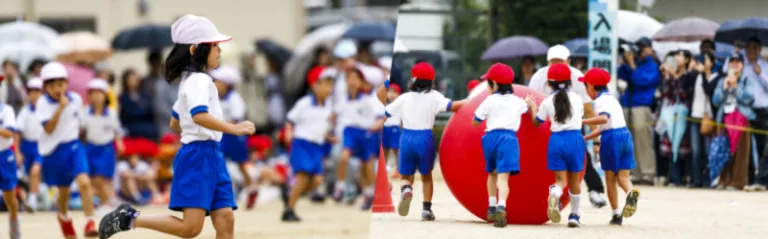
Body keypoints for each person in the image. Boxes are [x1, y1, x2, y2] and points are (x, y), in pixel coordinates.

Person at [98, 14, 255, 239]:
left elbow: (175, 122)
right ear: (194, 49)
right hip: (199, 157)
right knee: (191, 228)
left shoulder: (190, 81)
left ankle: (129, 217)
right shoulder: (199, 80)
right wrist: (233, 128)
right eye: (214, 45)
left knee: (226, 219)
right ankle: (130, 218)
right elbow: (199, 116)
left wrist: (197, 131)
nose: (219, 50)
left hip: (209, 154)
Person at [376, 62, 467, 221]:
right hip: (425, 138)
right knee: (426, 176)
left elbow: (384, 111)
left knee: (405, 175)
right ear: (432, 81)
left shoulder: (404, 97)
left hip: (407, 138)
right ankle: (426, 209)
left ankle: (406, 189)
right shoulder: (435, 96)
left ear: (413, 79)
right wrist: (472, 100)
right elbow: (453, 106)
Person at [527, 45, 606, 208]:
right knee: (571, 172)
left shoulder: (577, 78)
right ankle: (573, 212)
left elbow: (589, 111)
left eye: (560, 62)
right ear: (547, 62)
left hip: (568, 125)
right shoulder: (537, 78)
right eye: (552, 62)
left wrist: (596, 141)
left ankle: (594, 190)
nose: (556, 65)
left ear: (569, 62)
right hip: (551, 122)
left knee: (580, 161)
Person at [36, 62, 99, 237]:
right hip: (54, 151)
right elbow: (49, 129)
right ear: (46, 87)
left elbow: (80, 123)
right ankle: (64, 217)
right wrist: (61, 107)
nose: (58, 89)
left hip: (74, 146)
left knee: (84, 183)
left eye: (61, 84)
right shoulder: (42, 103)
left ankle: (89, 222)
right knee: (64, 192)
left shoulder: (76, 99)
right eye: (53, 85)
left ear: (66, 84)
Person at [525, 63, 585, 227]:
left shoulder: (547, 101)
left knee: (560, 181)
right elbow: (579, 116)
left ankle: (554, 194)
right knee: (574, 181)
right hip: (575, 139)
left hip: (556, 141)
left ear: (549, 83)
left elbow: (537, 122)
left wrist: (532, 108)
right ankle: (574, 215)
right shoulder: (577, 98)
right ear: (569, 81)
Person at [581, 68, 641, 226]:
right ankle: (630, 192)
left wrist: (582, 122)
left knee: (610, 180)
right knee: (623, 177)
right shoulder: (613, 99)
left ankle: (616, 214)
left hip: (612, 139)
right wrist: (586, 137)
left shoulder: (600, 101)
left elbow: (603, 119)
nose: (586, 90)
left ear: (592, 86)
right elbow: (604, 126)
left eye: (586, 86)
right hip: (625, 136)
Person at [471, 63, 527, 228]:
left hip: (490, 138)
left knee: (492, 173)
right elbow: (527, 108)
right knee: (504, 177)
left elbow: (475, 121)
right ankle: (502, 206)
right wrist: (530, 105)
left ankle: (491, 205)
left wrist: (476, 121)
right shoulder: (517, 101)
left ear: (494, 84)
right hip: (508, 139)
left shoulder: (489, 100)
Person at [282, 66, 335, 222]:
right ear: (314, 85)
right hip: (302, 143)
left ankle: (291, 194)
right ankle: (289, 210)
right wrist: (288, 133)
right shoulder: (304, 103)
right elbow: (290, 120)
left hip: (316, 147)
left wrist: (330, 138)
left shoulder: (328, 107)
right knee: (303, 176)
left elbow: (320, 128)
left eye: (330, 85)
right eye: (325, 84)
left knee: (317, 181)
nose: (329, 88)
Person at [333, 64, 386, 210]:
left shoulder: (369, 100)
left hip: (366, 134)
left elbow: (380, 118)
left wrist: (373, 128)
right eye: (349, 79)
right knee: (344, 156)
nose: (352, 82)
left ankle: (370, 193)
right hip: (350, 132)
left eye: (356, 79)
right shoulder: (343, 100)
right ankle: (340, 186)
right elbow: (336, 115)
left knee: (366, 167)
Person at [210, 66, 257, 207]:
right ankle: (228, 192)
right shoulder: (217, 99)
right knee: (219, 163)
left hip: (234, 136)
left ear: (226, 84)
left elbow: (236, 120)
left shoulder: (235, 99)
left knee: (241, 164)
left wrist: (219, 125)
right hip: (223, 134)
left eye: (217, 81)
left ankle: (251, 188)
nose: (214, 84)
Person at [618, 37, 660, 184]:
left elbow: (642, 81)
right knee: (630, 141)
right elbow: (621, 75)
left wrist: (632, 64)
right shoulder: (635, 62)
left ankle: (648, 173)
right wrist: (624, 62)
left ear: (649, 49)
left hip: (642, 105)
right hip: (628, 104)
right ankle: (635, 172)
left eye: (643, 47)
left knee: (643, 140)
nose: (641, 50)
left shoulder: (651, 65)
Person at [712, 52, 755, 191]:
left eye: (738, 62)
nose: (735, 64)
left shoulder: (747, 80)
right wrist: (724, 89)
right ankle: (724, 180)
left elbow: (749, 99)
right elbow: (716, 100)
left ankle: (738, 182)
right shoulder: (722, 80)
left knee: (741, 152)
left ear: (742, 65)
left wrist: (736, 86)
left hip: (741, 119)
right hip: (724, 118)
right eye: (732, 62)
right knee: (724, 149)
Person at [81, 79, 125, 212]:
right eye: (93, 94)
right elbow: (81, 131)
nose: (96, 97)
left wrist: (119, 143)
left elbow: (116, 131)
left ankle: (108, 202)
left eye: (99, 93)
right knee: (93, 179)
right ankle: (106, 201)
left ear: (105, 95)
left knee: (102, 177)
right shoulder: (85, 112)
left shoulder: (111, 113)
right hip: (90, 148)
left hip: (106, 149)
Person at [657, 50, 698, 186]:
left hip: (684, 113)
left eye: (680, 56)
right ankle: (673, 177)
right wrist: (667, 77)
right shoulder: (671, 75)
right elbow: (666, 92)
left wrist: (675, 77)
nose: (677, 58)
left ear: (686, 60)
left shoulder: (689, 75)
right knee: (670, 144)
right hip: (670, 113)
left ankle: (685, 176)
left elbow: (684, 93)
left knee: (682, 144)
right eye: (676, 55)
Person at [741, 37, 768, 191]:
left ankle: (762, 179)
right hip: (748, 111)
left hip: (764, 110)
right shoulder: (742, 66)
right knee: (750, 147)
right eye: (748, 47)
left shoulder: (764, 65)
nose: (751, 50)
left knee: (764, 146)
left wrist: (760, 74)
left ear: (759, 50)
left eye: (754, 47)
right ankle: (751, 179)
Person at [16, 78, 44, 212]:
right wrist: (17, 151)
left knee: (35, 172)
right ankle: (30, 198)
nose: (34, 94)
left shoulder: (47, 110)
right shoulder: (25, 111)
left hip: (41, 145)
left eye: (37, 91)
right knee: (26, 175)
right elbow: (17, 133)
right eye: (32, 91)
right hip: (26, 146)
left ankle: (32, 200)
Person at [0, 80, 20, 239]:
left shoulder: (6, 110)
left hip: (5, 156)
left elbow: (10, 132)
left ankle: (14, 220)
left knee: (9, 197)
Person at [119, 69, 158, 141]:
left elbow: (150, 111)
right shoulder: (123, 97)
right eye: (131, 79)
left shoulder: (145, 95)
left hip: (147, 130)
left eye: (135, 79)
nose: (134, 81)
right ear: (125, 81)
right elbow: (127, 113)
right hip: (132, 130)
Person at [382, 83, 403, 178]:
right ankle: (383, 170)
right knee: (384, 150)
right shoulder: (384, 105)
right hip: (384, 129)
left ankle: (398, 170)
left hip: (395, 129)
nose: (391, 94)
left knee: (396, 151)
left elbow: (403, 119)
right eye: (389, 91)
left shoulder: (399, 106)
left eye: (394, 92)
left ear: (398, 94)